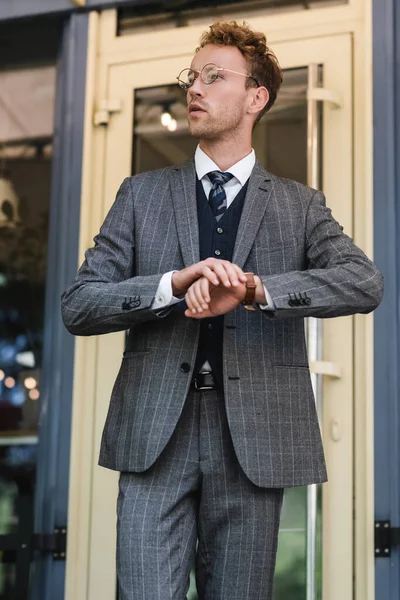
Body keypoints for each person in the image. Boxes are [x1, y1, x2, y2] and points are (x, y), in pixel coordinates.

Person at [61, 20, 383, 600]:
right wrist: (168, 286)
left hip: (254, 437)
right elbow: (80, 305)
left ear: (256, 97)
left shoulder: (300, 206)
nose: (195, 89)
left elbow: (364, 283)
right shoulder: (140, 195)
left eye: (214, 76)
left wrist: (259, 289)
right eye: (192, 76)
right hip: (155, 432)